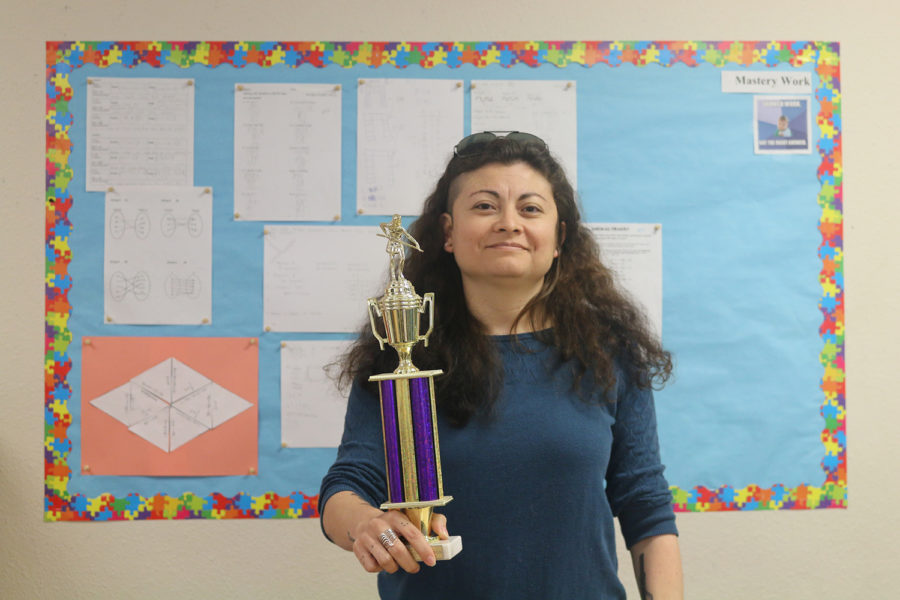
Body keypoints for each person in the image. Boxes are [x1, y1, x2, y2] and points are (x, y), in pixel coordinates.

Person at [320, 131, 683, 599]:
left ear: (558, 239)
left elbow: (645, 505)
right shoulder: (401, 357)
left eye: (530, 209)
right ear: (449, 233)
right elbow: (345, 488)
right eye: (485, 206)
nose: (509, 223)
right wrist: (368, 525)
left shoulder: (610, 353)